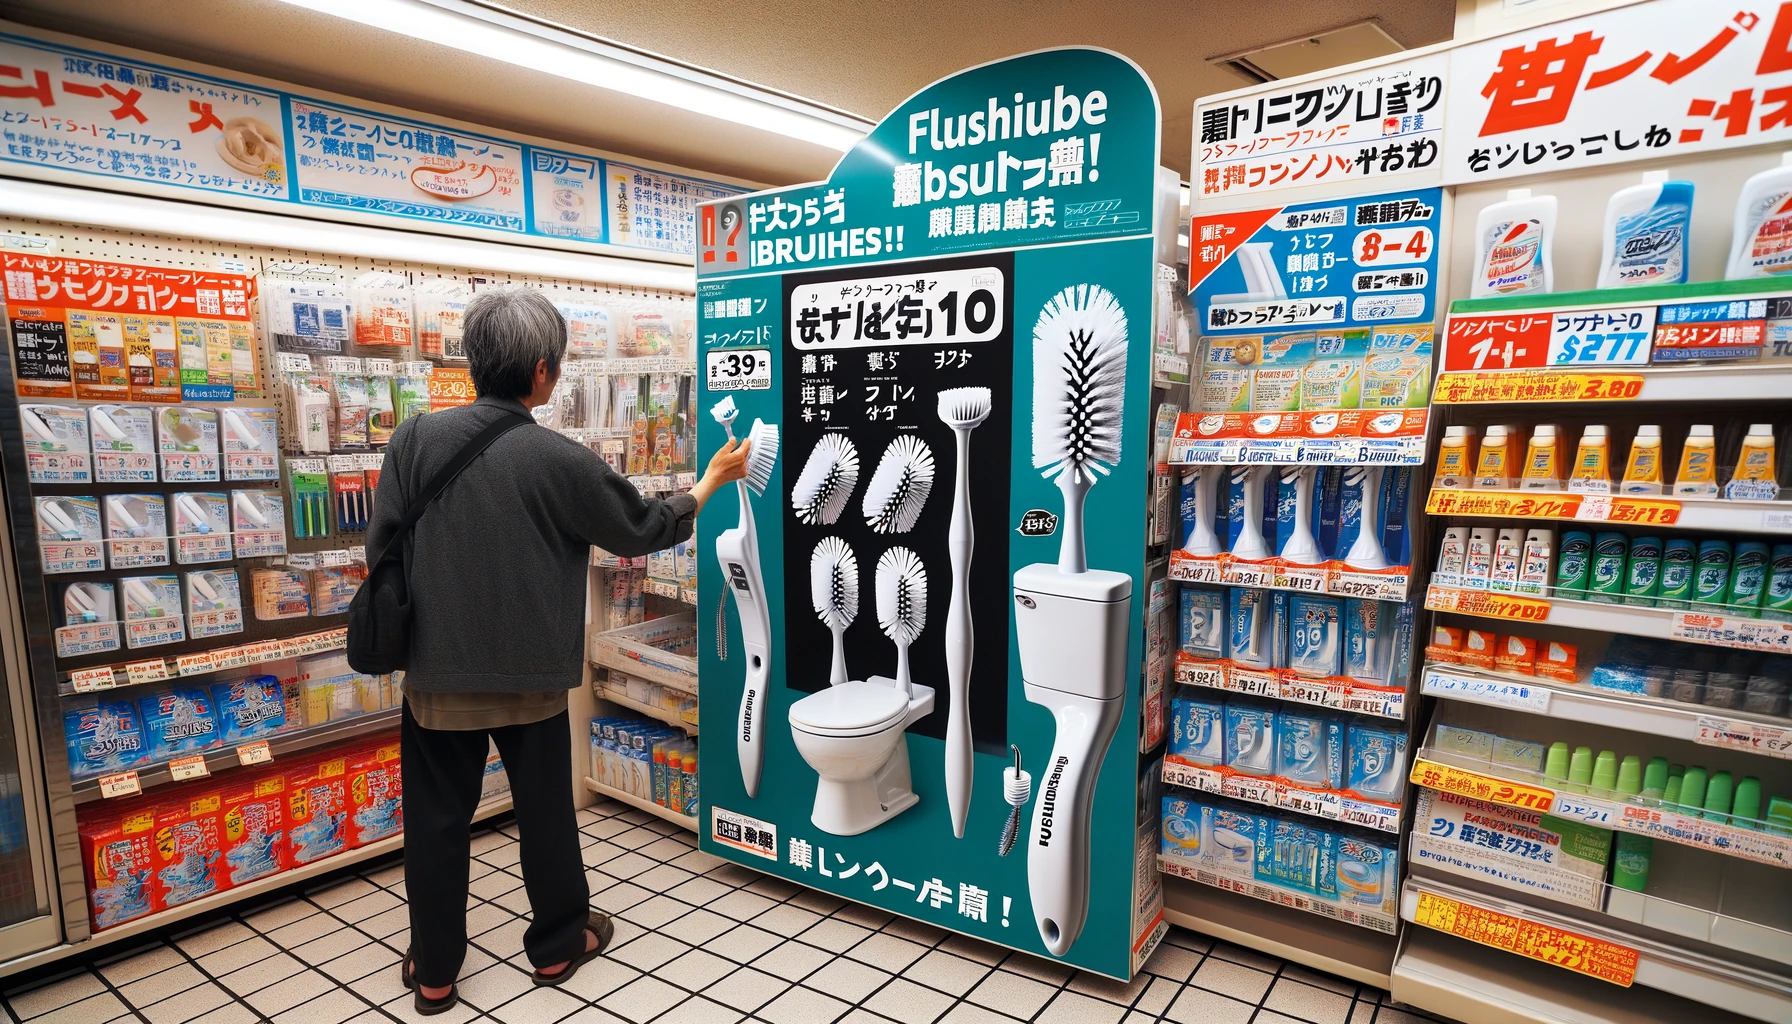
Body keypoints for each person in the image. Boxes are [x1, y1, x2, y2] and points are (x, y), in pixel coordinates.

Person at [367, 287, 749, 1014]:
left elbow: (381, 546)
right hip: (533, 678)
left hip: (436, 676)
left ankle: (437, 972)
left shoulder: (412, 441)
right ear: (542, 372)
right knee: (545, 815)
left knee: (436, 825)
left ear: (474, 360)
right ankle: (556, 947)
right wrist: (708, 483)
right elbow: (640, 529)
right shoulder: (555, 457)